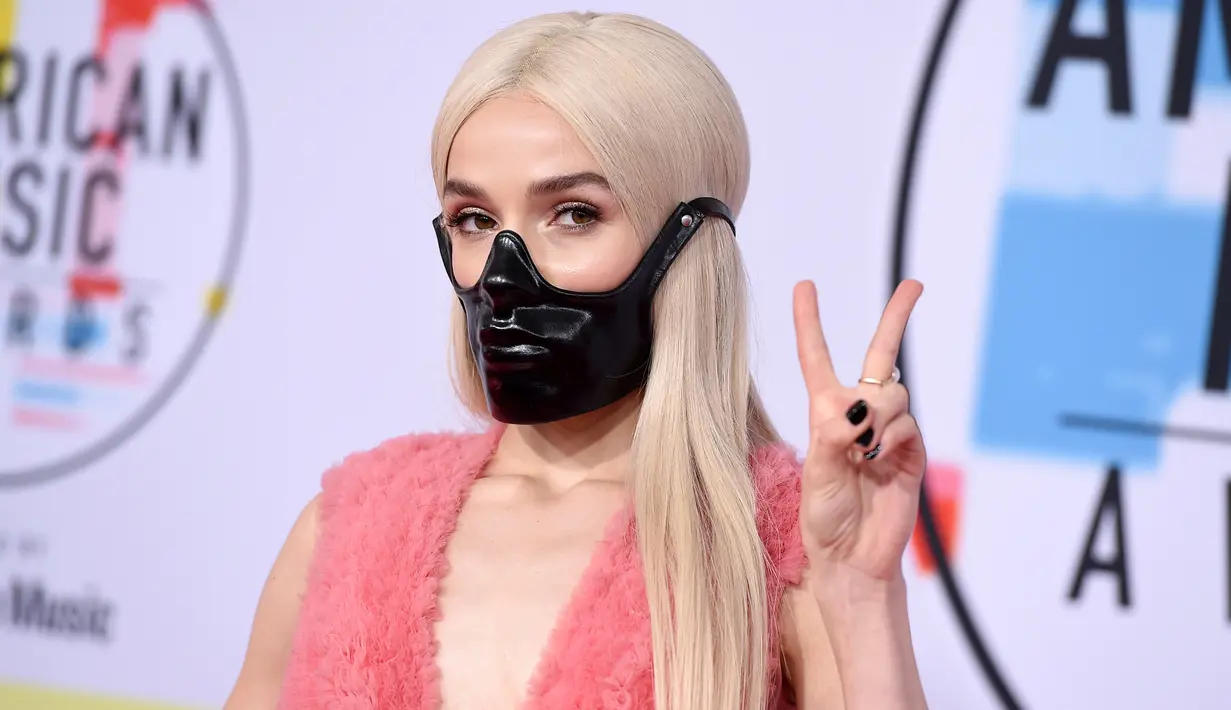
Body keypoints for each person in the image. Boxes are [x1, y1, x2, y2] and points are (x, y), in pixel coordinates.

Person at [224, 11, 929, 710]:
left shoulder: (780, 545)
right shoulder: (350, 525)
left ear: (686, 243)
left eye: (573, 214)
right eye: (474, 219)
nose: (501, 275)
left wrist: (863, 596)